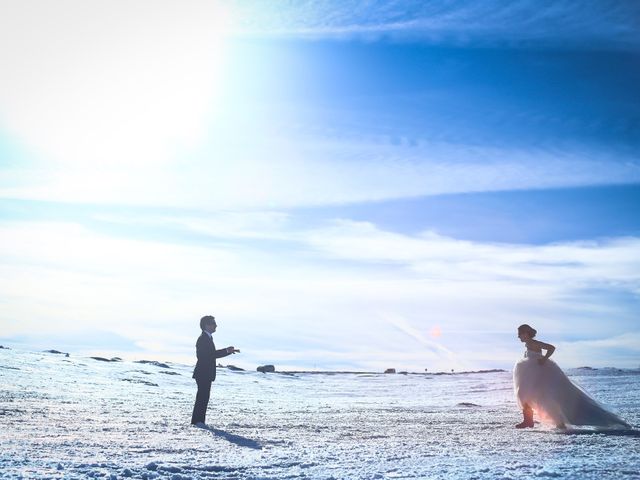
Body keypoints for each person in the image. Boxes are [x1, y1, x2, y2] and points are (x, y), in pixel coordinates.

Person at [513, 324, 629, 429]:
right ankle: (528, 421)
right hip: (533, 375)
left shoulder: (533, 342)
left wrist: (544, 359)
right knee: (525, 395)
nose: (518, 337)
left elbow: (551, 348)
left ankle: (558, 423)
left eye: (520, 334)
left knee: (545, 398)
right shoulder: (528, 344)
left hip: (541, 374)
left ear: (525, 333)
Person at [191, 315, 239, 426]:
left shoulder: (207, 338)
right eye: (213, 323)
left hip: (205, 373)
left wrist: (227, 351)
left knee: (203, 397)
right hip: (203, 373)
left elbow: (211, 355)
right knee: (202, 398)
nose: (215, 325)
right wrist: (226, 351)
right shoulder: (203, 338)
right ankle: (197, 422)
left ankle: (199, 421)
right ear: (206, 325)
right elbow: (207, 356)